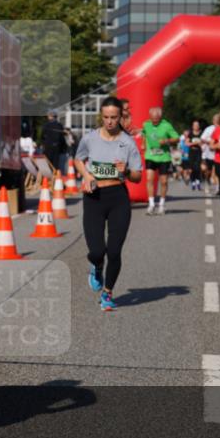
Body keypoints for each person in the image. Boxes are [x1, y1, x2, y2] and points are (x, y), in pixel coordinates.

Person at [73, 97, 143, 312]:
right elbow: (78, 159)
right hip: (94, 197)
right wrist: (86, 176)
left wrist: (126, 171)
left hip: (118, 198)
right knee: (96, 251)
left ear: (120, 117)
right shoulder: (90, 139)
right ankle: (96, 266)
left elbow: (137, 176)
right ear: (101, 117)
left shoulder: (128, 142)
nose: (110, 121)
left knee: (114, 251)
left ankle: (107, 293)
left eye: (114, 117)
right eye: (106, 117)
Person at [142, 106, 179, 215]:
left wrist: (167, 141)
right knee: (149, 179)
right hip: (150, 155)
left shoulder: (166, 125)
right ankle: (151, 204)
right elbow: (144, 133)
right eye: (152, 119)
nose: (154, 121)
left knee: (164, 181)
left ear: (160, 117)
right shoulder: (146, 124)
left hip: (164, 157)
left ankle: (162, 204)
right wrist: (143, 144)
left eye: (156, 119)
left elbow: (176, 138)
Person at [200, 113, 220, 195]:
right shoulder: (209, 129)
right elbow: (202, 139)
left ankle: (218, 188)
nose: (216, 122)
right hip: (209, 154)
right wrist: (209, 142)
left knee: (217, 171)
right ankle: (207, 181)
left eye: (218, 120)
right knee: (208, 171)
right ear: (213, 121)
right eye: (215, 120)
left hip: (219, 154)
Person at [186, 121, 205, 191]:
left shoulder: (201, 134)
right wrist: (194, 143)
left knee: (197, 167)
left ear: (199, 126)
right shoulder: (190, 134)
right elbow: (187, 143)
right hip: (191, 152)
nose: (196, 126)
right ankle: (193, 182)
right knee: (192, 168)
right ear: (192, 126)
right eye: (195, 125)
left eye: (197, 125)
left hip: (198, 152)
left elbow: (204, 142)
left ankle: (198, 181)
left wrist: (200, 143)